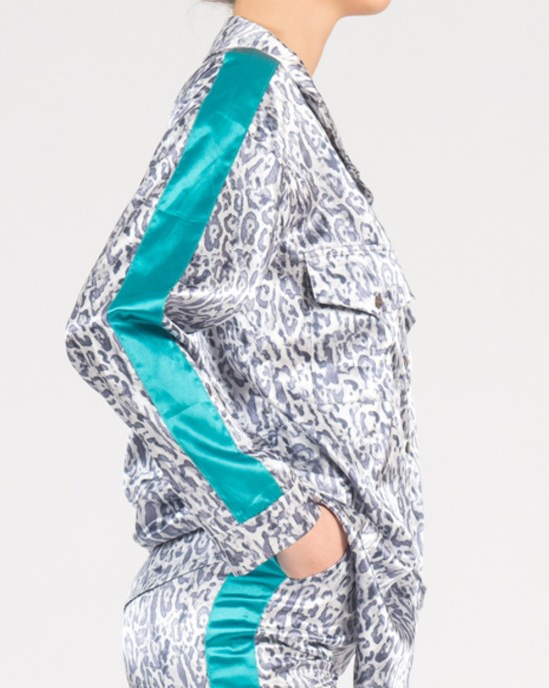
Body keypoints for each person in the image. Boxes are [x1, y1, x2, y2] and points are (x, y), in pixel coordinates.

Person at [64, 2, 427, 686]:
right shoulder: (248, 97)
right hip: (251, 619)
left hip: (284, 625)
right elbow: (114, 319)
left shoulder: (284, 107)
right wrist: (282, 523)